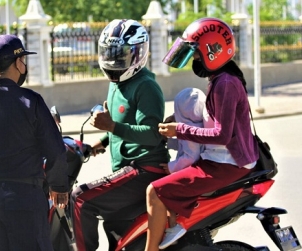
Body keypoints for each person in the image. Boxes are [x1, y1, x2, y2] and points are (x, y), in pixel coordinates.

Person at [144, 17, 259, 251]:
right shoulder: (221, 79)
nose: (194, 59)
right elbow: (214, 119)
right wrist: (178, 120)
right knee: (168, 182)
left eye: (196, 54)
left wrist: (180, 130)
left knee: (154, 191)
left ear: (212, 51)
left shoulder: (225, 83)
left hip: (227, 163)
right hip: (221, 159)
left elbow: (221, 134)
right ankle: (176, 226)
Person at [0, 34, 70, 251]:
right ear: (19, 63)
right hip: (22, 198)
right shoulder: (31, 101)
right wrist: (59, 186)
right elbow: (56, 150)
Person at [69, 19, 170, 251]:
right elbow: (123, 124)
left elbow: (153, 135)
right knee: (114, 227)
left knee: (81, 198)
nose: (114, 61)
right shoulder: (116, 82)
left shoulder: (145, 86)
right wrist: (100, 142)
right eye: (110, 53)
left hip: (145, 170)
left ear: (138, 54)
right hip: (127, 169)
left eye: (121, 55)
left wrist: (111, 127)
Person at [158, 87, 206, 249]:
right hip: (194, 167)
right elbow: (181, 146)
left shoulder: (189, 132)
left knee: (163, 191)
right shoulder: (197, 125)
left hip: (188, 170)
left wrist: (171, 167)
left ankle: (173, 227)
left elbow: (190, 156)